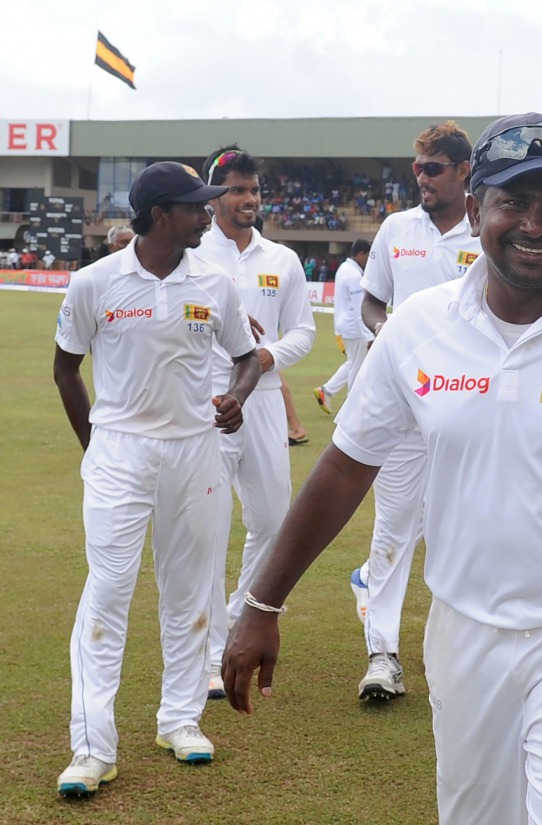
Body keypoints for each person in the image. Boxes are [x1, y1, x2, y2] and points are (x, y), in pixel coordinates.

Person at [222, 113, 542, 824]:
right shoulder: (420, 325)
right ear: (474, 209)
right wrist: (262, 603)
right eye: (512, 202)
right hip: (464, 631)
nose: (535, 223)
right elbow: (344, 468)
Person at [52, 161, 260, 796]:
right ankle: (92, 747)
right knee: (109, 590)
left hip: (196, 453)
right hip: (120, 453)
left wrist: (236, 399)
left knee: (190, 589)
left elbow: (245, 359)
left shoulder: (218, 284)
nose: (208, 214)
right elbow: (65, 370)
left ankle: (181, 720)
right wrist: (98, 448)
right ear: (160, 215)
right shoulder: (94, 282)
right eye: (196, 207)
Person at [350, 120, 482, 700]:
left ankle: (472, 650)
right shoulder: (396, 228)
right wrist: (387, 331)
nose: (422, 180)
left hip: (473, 404)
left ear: (463, 172)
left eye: (433, 169)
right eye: (417, 170)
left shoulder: (488, 226)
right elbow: (373, 302)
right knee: (393, 528)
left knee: (472, 523)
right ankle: (382, 654)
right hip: (406, 400)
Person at [196, 146, 316, 700]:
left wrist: (264, 358)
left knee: (271, 521)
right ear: (215, 194)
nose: (248, 200)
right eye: (237, 190)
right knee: (209, 527)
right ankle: (203, 653)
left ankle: (236, 622)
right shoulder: (192, 253)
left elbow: (303, 333)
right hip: (207, 404)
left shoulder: (282, 259)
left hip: (263, 400)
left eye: (255, 190)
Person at [313, 239, 374, 413]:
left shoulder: (344, 269)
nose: (368, 260)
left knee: (353, 363)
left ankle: (326, 391)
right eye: (367, 256)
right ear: (361, 254)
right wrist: (369, 335)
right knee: (357, 366)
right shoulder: (354, 275)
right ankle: (351, 406)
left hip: (346, 326)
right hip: (355, 328)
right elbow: (358, 308)